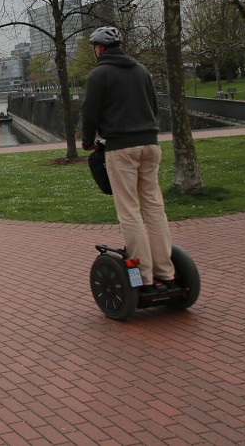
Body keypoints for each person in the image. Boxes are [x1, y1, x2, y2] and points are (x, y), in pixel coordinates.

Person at [81, 26, 180, 296]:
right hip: (150, 144)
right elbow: (153, 105)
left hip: (121, 148)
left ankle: (145, 278)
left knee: (129, 211)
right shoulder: (141, 70)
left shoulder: (99, 74)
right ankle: (167, 273)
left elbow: (89, 114)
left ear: (99, 49)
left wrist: (87, 141)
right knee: (154, 208)